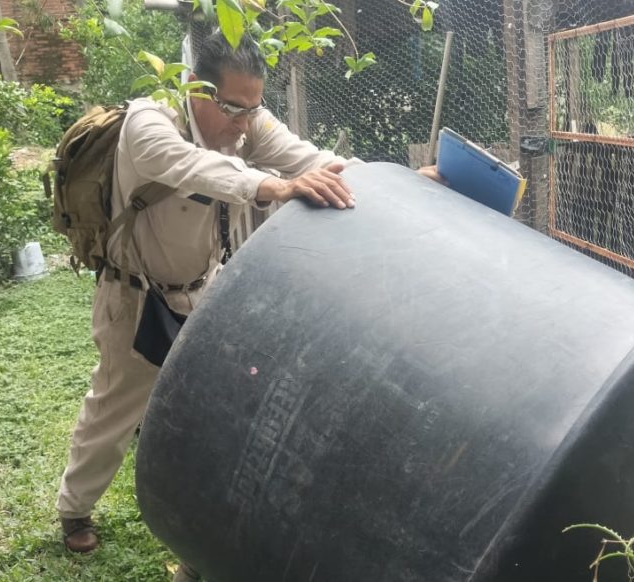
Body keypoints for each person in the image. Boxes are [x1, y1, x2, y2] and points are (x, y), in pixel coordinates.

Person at [55, 30, 441, 579]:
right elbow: (194, 167)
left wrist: (395, 184)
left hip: (206, 292)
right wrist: (274, 186)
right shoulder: (150, 121)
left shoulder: (247, 120)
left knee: (221, 410)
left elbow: (313, 160)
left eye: (253, 108)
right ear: (195, 87)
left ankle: (200, 537)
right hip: (134, 296)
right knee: (115, 409)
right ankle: (74, 509)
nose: (243, 122)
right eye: (233, 108)